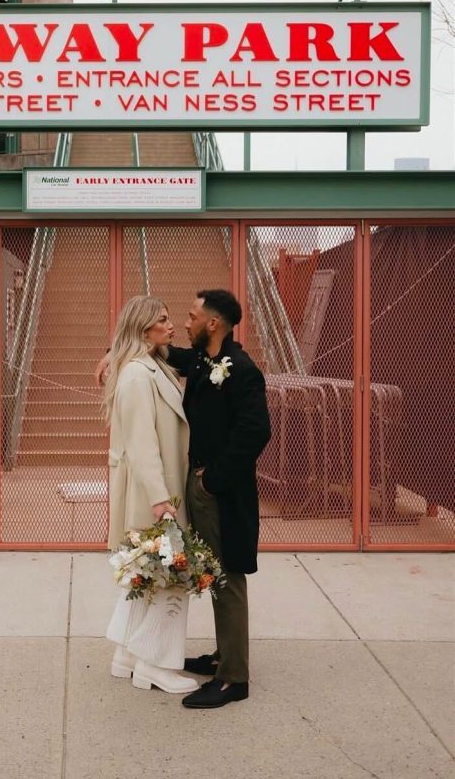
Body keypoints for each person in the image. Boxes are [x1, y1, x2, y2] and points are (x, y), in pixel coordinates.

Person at [96, 288, 271, 709]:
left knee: (223, 576)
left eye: (189, 316)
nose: (181, 323)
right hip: (189, 487)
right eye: (172, 317)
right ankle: (217, 656)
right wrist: (112, 351)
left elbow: (255, 433)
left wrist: (211, 482)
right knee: (194, 572)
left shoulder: (241, 370)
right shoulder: (196, 360)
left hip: (220, 490)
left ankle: (233, 678)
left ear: (212, 324)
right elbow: (150, 346)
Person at [103, 295, 199, 696]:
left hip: (152, 491)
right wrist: (162, 502)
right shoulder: (138, 376)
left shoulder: (148, 367)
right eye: (163, 319)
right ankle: (155, 664)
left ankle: (126, 655)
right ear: (144, 330)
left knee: (145, 577)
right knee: (172, 579)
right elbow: (142, 445)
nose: (172, 325)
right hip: (155, 495)